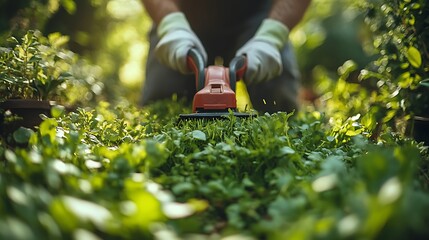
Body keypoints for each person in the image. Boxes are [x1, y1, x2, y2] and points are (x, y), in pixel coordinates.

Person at [140, 0, 311, 113]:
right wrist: (172, 26)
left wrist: (272, 36)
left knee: (280, 106)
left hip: (260, 14)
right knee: (162, 102)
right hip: (181, 13)